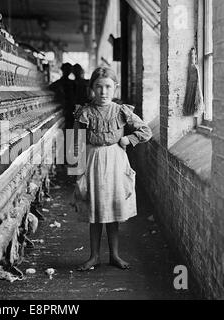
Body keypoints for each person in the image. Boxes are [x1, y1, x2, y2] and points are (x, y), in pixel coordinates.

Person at [73, 66, 152, 271]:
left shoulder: (121, 111)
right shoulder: (84, 112)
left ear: (115, 88)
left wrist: (129, 139)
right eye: (98, 87)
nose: (103, 92)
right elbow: (74, 142)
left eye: (108, 87)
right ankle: (94, 256)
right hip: (92, 161)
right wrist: (76, 171)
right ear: (91, 89)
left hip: (116, 161)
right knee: (95, 210)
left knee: (112, 211)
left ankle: (115, 255)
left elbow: (146, 131)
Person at [49, 63, 76, 128]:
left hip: (64, 109)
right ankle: (68, 138)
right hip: (66, 109)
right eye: (66, 69)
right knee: (69, 128)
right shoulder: (73, 83)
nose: (67, 71)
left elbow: (49, 88)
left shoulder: (58, 83)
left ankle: (67, 138)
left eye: (69, 69)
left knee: (66, 128)